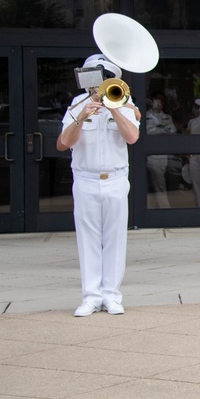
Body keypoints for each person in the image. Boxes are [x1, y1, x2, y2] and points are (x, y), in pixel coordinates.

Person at [57, 54, 140, 316]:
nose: (96, 88)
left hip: (115, 179)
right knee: (88, 240)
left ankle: (112, 296)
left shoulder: (125, 104)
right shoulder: (76, 104)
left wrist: (114, 107)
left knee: (115, 239)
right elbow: (63, 144)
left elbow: (132, 137)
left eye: (102, 82)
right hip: (85, 179)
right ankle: (91, 296)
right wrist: (81, 115)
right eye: (93, 82)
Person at [145, 91, 176, 209]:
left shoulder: (167, 117)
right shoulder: (145, 115)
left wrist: (160, 130)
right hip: (151, 154)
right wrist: (160, 130)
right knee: (159, 184)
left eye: (161, 101)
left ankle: (153, 209)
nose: (159, 103)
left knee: (158, 182)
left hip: (164, 154)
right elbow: (146, 132)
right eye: (157, 100)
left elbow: (171, 131)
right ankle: (165, 209)